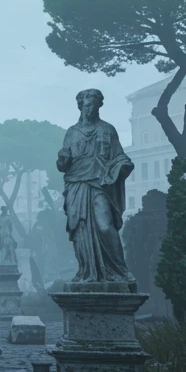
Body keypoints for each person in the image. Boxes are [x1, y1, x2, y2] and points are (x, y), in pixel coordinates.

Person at [57, 88, 134, 283]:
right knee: (80, 230)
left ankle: (120, 271)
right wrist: (62, 159)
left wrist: (122, 165)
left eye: (93, 104)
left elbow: (119, 155)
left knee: (105, 226)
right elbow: (62, 165)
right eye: (86, 105)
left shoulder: (107, 130)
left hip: (100, 184)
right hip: (76, 184)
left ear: (99, 106)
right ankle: (86, 271)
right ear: (80, 106)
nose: (89, 108)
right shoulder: (72, 133)